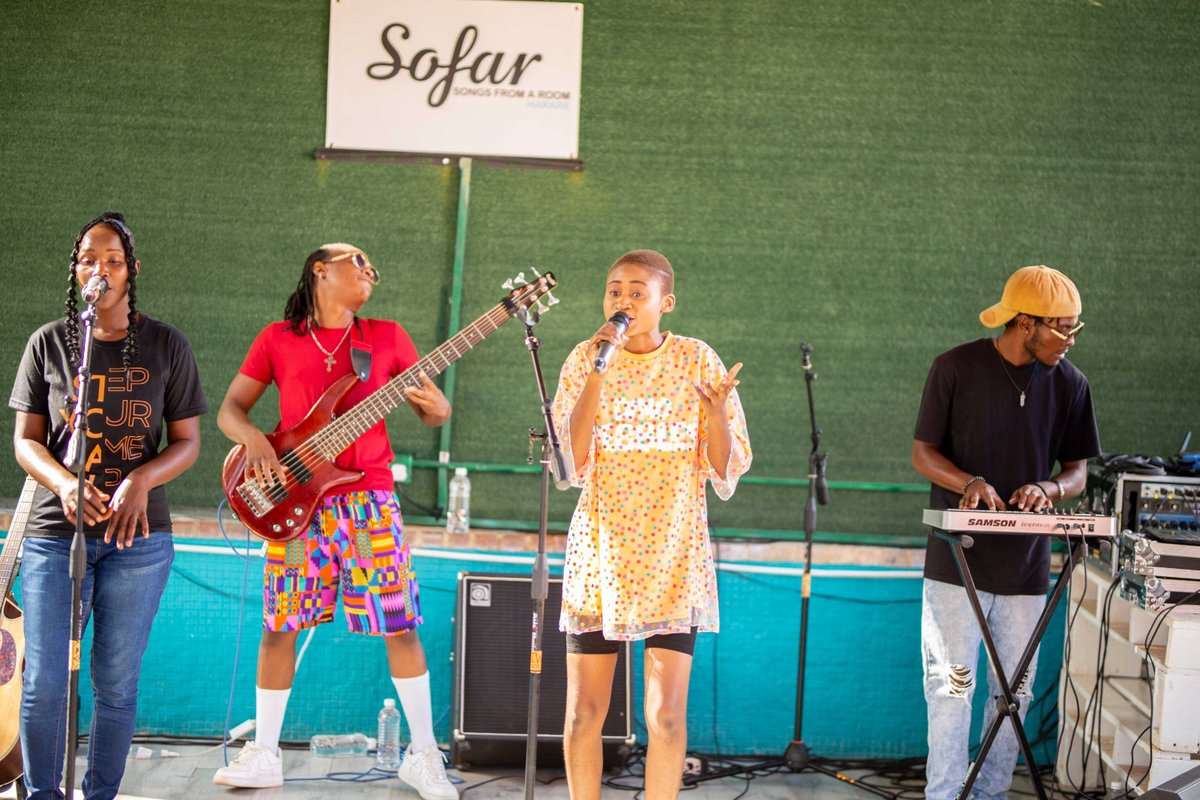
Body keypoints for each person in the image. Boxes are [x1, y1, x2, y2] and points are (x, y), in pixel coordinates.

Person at [212, 243, 456, 800]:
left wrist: (437, 406)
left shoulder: (387, 338)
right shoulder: (277, 339)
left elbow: (434, 412)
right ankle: (265, 755)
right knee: (280, 624)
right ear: (321, 269)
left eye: (373, 266)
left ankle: (422, 756)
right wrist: (253, 440)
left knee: (397, 621)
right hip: (296, 509)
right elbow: (231, 410)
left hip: (368, 503)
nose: (370, 270)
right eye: (358, 261)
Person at [9, 212, 207, 800]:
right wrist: (66, 484)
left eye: (113, 260)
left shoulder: (167, 344)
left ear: (132, 270)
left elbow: (189, 442)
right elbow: (26, 441)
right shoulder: (49, 342)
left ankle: (99, 795)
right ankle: (43, 794)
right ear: (76, 271)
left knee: (116, 683)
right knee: (44, 682)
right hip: (54, 535)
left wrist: (143, 477)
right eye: (90, 259)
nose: (101, 269)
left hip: (138, 541)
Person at [551, 249, 751, 800]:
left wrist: (714, 416)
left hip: (672, 558)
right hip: (601, 557)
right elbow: (569, 461)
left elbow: (721, 466)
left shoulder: (696, 359)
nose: (623, 301)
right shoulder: (584, 358)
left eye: (638, 292)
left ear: (667, 303)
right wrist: (598, 368)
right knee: (583, 713)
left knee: (664, 717)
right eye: (615, 290)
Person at [912, 265, 1100, 800]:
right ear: (1024, 322)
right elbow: (923, 452)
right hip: (958, 568)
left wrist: (1050, 488)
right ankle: (944, 795)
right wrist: (967, 481)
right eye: (1062, 328)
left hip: (1026, 570)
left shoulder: (1071, 384)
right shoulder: (955, 367)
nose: (1069, 339)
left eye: (1074, 328)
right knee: (953, 688)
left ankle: (991, 793)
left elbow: (1077, 471)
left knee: (1012, 692)